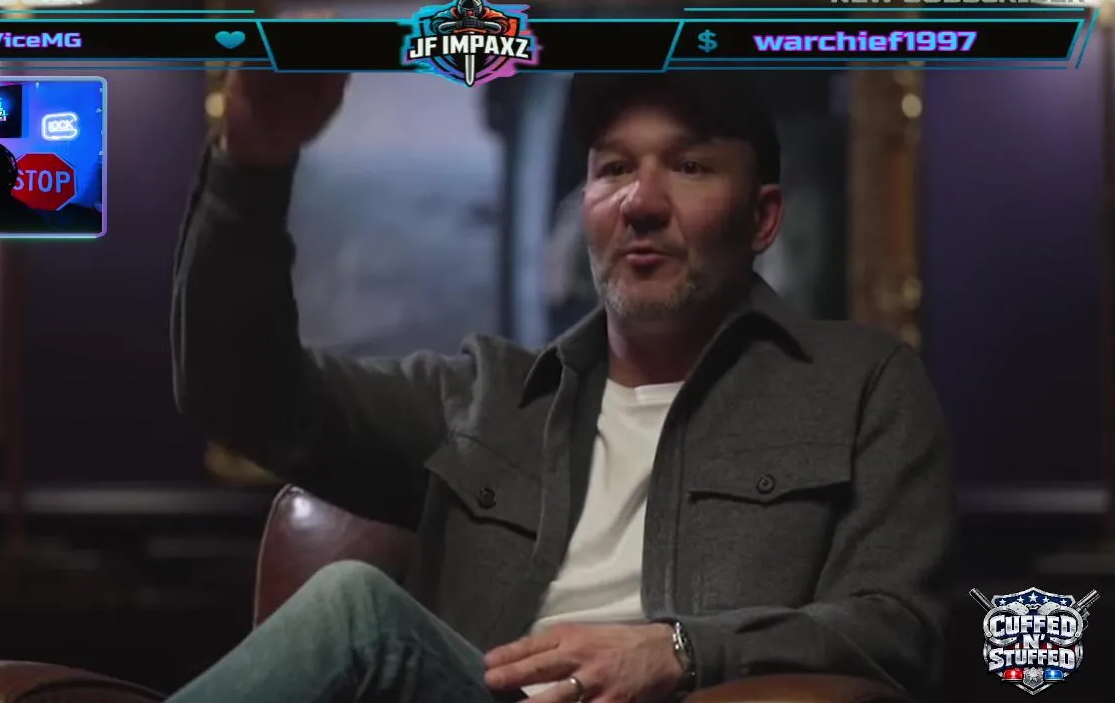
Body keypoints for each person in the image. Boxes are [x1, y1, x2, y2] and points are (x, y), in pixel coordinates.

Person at [168, 68, 956, 702]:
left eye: (689, 166)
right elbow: (239, 397)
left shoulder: (863, 386)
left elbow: (897, 629)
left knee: (355, 608)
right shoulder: (483, 399)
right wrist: (252, 166)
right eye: (614, 168)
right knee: (356, 610)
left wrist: (679, 650)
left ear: (762, 218)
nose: (641, 202)